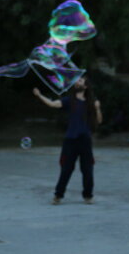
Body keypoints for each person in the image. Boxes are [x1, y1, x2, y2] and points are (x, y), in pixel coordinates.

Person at [34, 77, 101, 205]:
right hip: (70, 140)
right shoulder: (70, 100)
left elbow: (99, 121)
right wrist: (39, 95)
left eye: (81, 80)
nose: (77, 82)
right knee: (66, 169)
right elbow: (53, 104)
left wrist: (98, 108)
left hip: (85, 140)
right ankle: (58, 195)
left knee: (87, 169)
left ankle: (88, 196)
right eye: (77, 81)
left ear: (86, 86)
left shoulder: (90, 103)